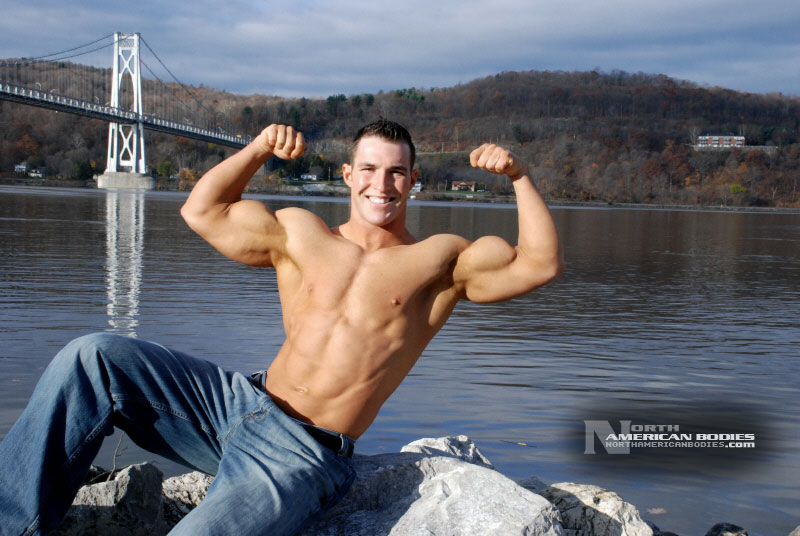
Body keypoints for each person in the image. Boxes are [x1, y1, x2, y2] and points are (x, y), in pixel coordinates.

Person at [0, 119, 563, 536]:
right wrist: (259, 148)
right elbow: (201, 210)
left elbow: (540, 264)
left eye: (396, 171)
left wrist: (518, 176)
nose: (382, 183)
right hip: (235, 404)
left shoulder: (441, 260)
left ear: (413, 180)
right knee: (93, 357)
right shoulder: (300, 232)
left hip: (301, 453)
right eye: (369, 169)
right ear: (349, 175)